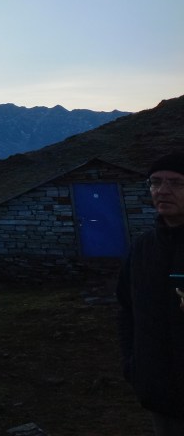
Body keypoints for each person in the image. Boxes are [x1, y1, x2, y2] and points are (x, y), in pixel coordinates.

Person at [117, 152, 184, 436]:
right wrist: (134, 364)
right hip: (158, 388)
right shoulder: (143, 248)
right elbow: (127, 309)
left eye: (176, 183)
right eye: (155, 183)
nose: (163, 191)